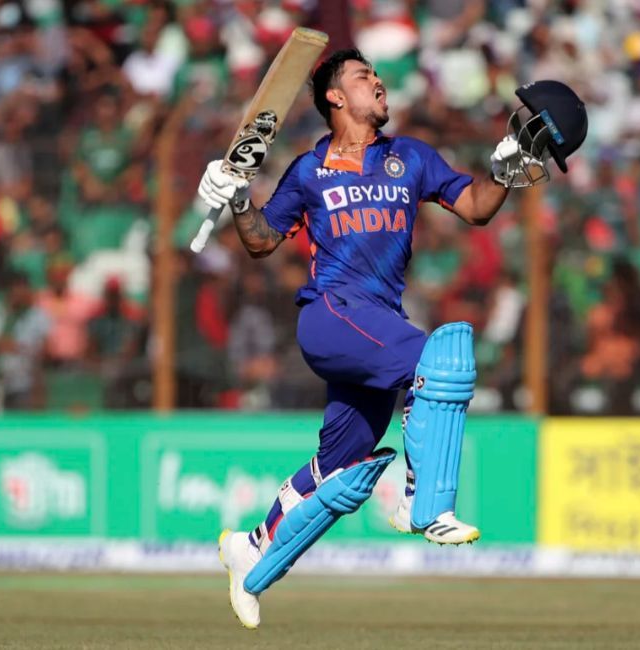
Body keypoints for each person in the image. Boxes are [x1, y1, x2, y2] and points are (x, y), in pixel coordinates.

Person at [196, 49, 585, 628]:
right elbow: (260, 241)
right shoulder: (308, 171)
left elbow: (475, 207)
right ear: (335, 97)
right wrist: (235, 197)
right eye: (363, 77)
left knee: (341, 471)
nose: (378, 82)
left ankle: (250, 555)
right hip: (330, 315)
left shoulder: (411, 158)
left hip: (375, 324)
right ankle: (423, 501)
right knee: (440, 359)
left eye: (376, 75)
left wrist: (506, 167)